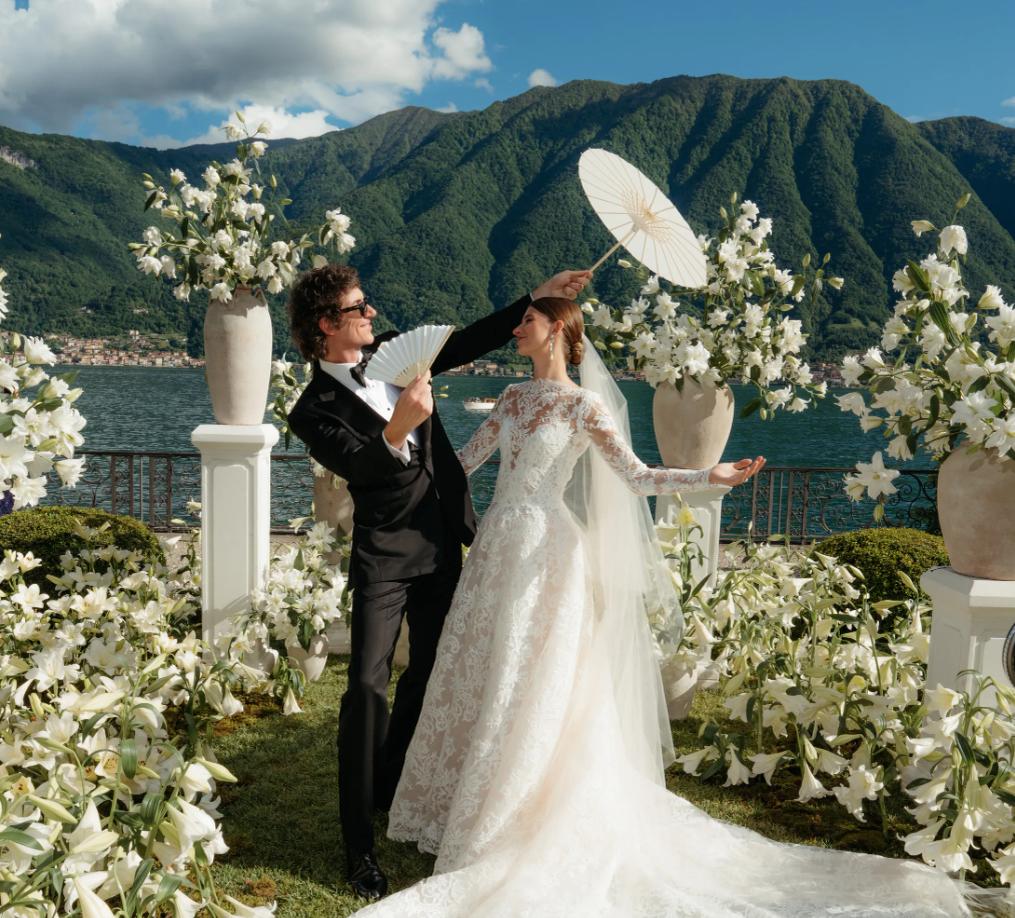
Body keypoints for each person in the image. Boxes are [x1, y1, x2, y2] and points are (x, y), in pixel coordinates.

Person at [356, 298, 978, 917]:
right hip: (496, 546)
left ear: (558, 329)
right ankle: (456, 803)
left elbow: (637, 477)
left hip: (549, 554)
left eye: (528, 321)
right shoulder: (513, 398)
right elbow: (458, 467)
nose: (515, 328)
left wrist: (709, 476)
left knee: (534, 679)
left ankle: (515, 811)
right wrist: (395, 446)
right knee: (482, 671)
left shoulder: (584, 406)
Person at [286, 264, 592, 899]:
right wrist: (398, 426)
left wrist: (538, 296)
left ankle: (392, 786)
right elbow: (359, 465)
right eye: (359, 307)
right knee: (365, 689)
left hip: (444, 544)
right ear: (327, 324)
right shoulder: (311, 409)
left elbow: (470, 338)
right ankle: (358, 849)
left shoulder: (395, 355)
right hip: (385, 556)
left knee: (430, 674)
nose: (371, 313)